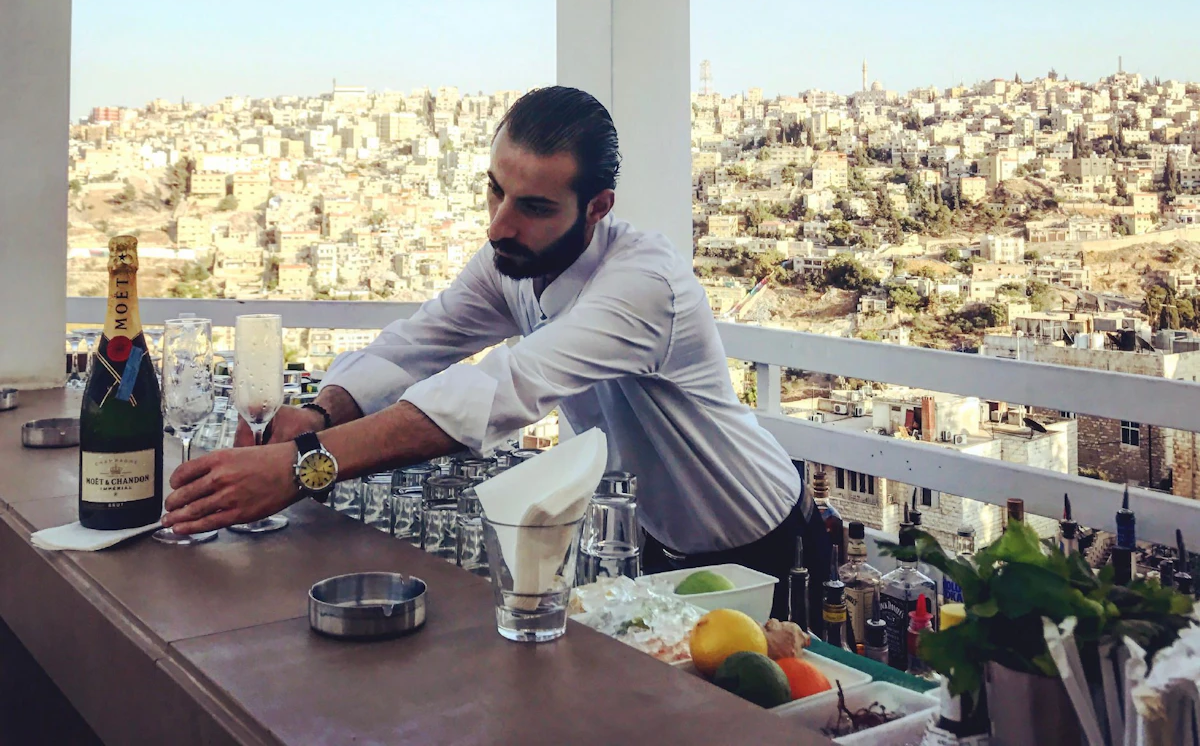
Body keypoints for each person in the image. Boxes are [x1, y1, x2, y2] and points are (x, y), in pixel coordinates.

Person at [163, 86, 830, 617]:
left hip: (767, 545)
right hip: (650, 545)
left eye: (534, 206)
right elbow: (414, 347)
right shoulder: (512, 258)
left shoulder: (643, 283)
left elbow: (498, 391)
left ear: (597, 207)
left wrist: (304, 466)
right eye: (495, 190)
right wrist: (319, 416)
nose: (499, 224)